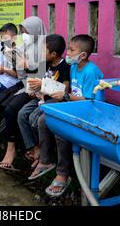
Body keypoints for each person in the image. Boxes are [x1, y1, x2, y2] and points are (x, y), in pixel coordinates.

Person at [29, 34, 103, 198]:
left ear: (82, 55)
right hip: (73, 107)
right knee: (43, 120)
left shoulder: (90, 71)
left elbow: (90, 100)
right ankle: (46, 160)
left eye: (71, 50)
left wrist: (65, 96)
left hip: (88, 111)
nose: (67, 53)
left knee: (60, 129)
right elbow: (68, 91)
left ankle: (63, 174)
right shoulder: (74, 67)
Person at [0, 16, 47, 171]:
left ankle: (11, 150)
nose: (24, 35)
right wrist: (16, 60)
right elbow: (20, 74)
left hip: (35, 89)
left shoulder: (44, 49)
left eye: (26, 31)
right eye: (22, 31)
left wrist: (26, 66)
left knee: (10, 109)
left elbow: (41, 75)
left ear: (35, 31)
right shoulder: (23, 47)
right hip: (22, 83)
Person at [16, 34, 70, 169]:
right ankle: (34, 148)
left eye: (42, 50)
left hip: (53, 100)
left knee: (35, 120)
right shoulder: (44, 64)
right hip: (41, 98)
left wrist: (43, 85)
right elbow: (36, 80)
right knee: (22, 115)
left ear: (53, 54)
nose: (39, 53)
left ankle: (45, 153)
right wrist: (34, 89)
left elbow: (64, 89)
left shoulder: (65, 67)